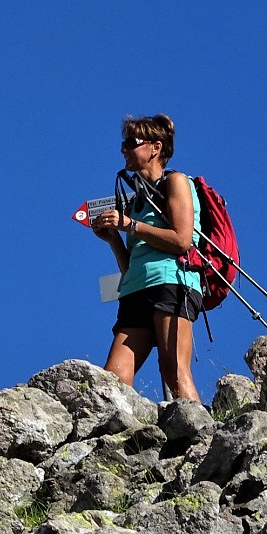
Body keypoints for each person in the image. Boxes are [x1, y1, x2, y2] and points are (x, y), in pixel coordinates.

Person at [91, 114, 202, 402]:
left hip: (173, 281)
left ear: (155, 147)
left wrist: (129, 225)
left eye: (131, 143)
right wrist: (114, 239)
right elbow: (132, 267)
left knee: (173, 369)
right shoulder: (136, 201)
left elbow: (182, 240)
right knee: (112, 379)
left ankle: (199, 435)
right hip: (136, 289)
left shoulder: (176, 182)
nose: (124, 149)